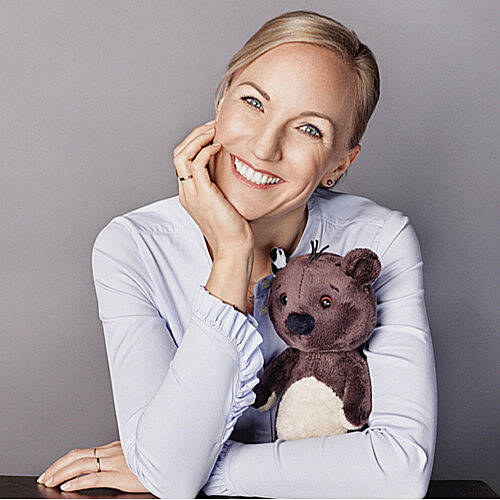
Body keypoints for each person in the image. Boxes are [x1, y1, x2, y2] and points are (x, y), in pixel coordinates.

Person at [37, 10, 437, 498]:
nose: (265, 147)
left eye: (309, 129)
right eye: (253, 102)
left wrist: (201, 465)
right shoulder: (133, 247)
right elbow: (170, 474)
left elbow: (401, 470)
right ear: (222, 99)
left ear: (340, 163)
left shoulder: (380, 240)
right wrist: (232, 257)